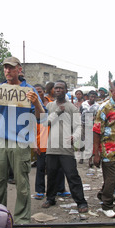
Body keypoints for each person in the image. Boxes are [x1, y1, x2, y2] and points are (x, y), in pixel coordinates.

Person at [0, 56, 45, 224]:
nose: (7, 71)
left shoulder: (28, 90)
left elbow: (41, 118)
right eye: (5, 68)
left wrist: (36, 104)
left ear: (19, 70)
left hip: (21, 142)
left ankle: (22, 219)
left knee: (22, 183)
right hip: (0, 141)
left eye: (11, 68)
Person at [41, 80, 88, 213]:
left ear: (66, 91)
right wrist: (57, 111)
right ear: (53, 90)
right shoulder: (50, 106)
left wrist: (76, 136)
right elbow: (45, 123)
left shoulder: (72, 108)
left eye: (61, 88)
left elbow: (79, 126)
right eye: (56, 88)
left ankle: (81, 202)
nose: (58, 90)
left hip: (66, 148)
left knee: (72, 175)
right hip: (52, 148)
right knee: (51, 175)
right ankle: (50, 198)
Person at [93, 79, 115, 218]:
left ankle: (102, 194)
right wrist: (96, 153)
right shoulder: (104, 108)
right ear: (111, 92)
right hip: (108, 150)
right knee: (112, 178)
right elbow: (96, 131)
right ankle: (107, 205)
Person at [80, 90, 100, 167]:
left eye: (94, 97)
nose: (93, 98)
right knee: (82, 141)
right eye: (91, 96)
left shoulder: (97, 106)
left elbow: (98, 115)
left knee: (90, 142)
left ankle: (90, 160)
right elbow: (80, 112)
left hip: (92, 126)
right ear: (88, 97)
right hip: (83, 124)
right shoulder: (84, 104)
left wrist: (93, 117)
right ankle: (81, 157)